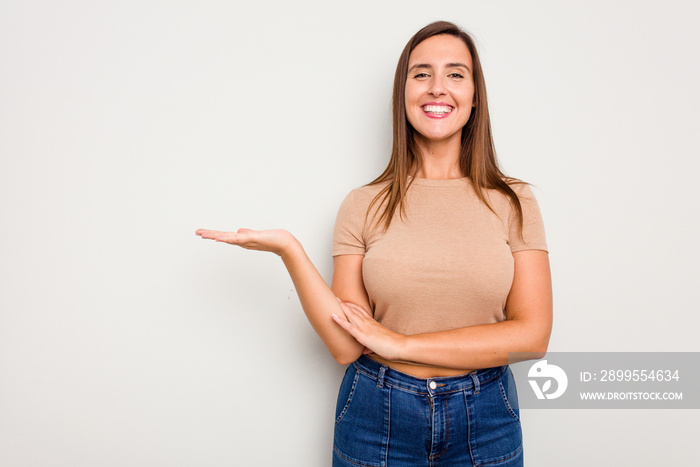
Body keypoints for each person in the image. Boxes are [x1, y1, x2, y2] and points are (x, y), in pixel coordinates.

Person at [196, 20, 551, 467]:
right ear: (403, 94)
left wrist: (401, 344)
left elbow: (532, 336)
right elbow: (348, 346)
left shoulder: (513, 200)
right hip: (376, 412)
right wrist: (289, 250)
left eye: (455, 74)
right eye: (421, 74)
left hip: (485, 418)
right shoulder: (363, 204)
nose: (437, 87)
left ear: (475, 95)